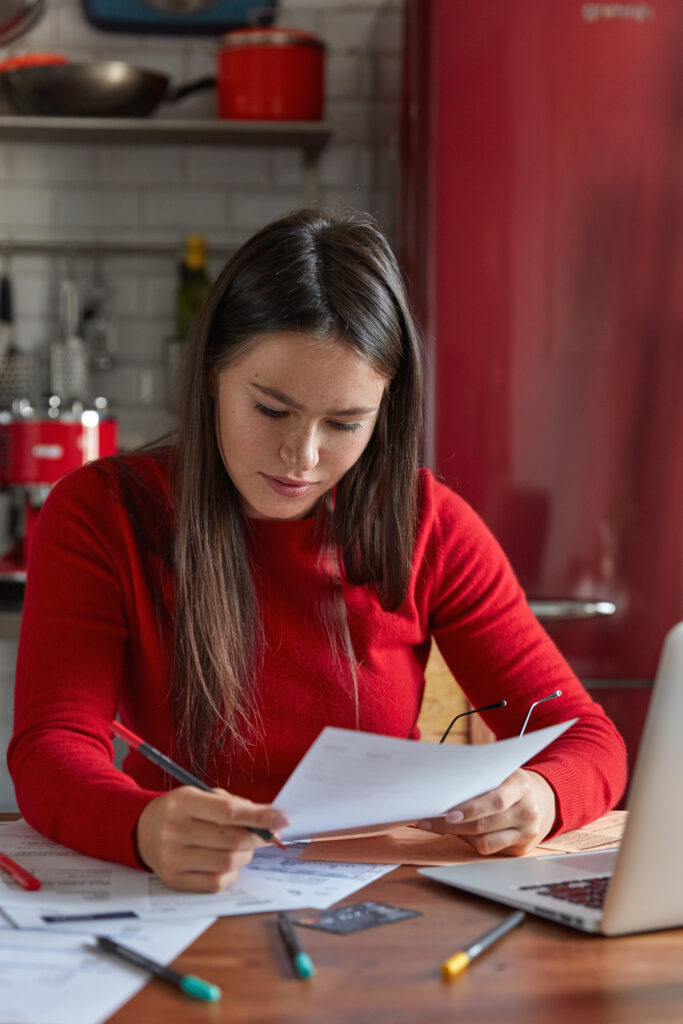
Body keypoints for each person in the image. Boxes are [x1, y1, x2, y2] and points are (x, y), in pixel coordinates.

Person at [8, 208, 626, 893]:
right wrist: (143, 826)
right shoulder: (101, 513)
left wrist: (542, 795)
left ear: (384, 411)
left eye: (344, 423)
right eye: (271, 410)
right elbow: (50, 745)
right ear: (212, 372)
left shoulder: (429, 526)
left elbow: (588, 740)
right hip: (185, 890)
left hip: (381, 896)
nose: (301, 457)